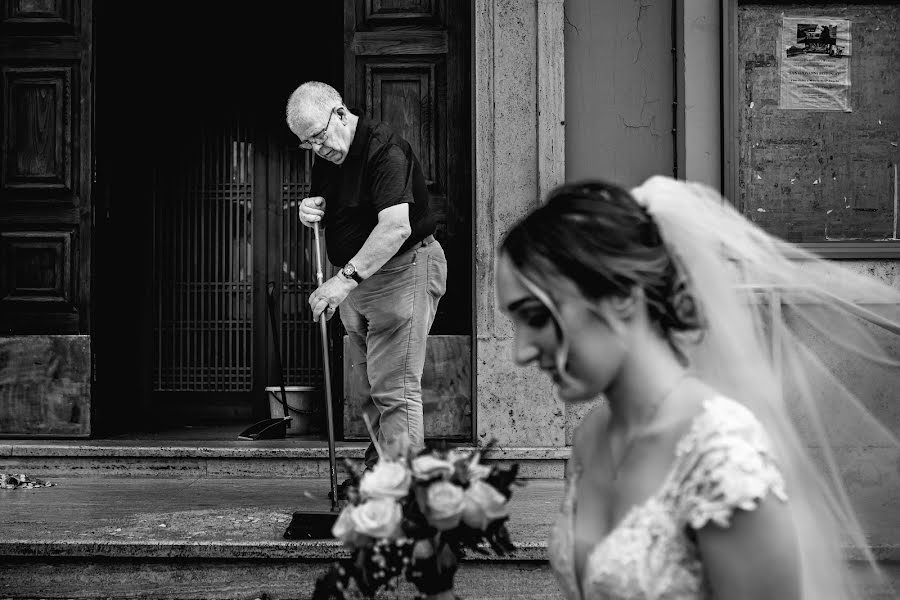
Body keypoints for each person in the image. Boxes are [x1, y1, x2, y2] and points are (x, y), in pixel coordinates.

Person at [491, 176, 900, 599]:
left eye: (537, 317)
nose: (520, 351)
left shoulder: (721, 452)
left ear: (622, 297)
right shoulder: (591, 437)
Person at [285, 81, 447, 487]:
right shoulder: (328, 156)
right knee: (371, 389)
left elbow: (395, 228)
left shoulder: (384, 150)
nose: (319, 149)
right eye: (309, 145)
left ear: (340, 113)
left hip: (401, 271)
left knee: (394, 389)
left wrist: (343, 281)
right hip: (358, 285)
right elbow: (327, 209)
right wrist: (309, 210)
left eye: (320, 137)